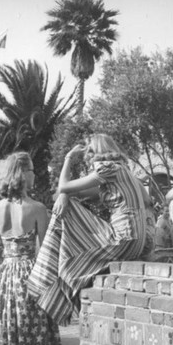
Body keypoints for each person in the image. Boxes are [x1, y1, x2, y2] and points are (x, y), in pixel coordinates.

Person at [27, 134, 148, 325]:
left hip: (125, 238)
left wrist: (68, 158)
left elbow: (63, 186)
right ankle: (56, 277)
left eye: (89, 152)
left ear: (97, 151)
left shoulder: (108, 168)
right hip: (136, 241)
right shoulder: (122, 171)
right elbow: (70, 191)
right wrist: (65, 195)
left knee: (67, 211)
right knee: (68, 201)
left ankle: (46, 276)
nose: (87, 157)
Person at [0, 152, 61, 345]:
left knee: (6, 327)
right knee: (34, 329)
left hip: (4, 276)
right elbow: (45, 251)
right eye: (31, 170)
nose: (35, 175)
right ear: (23, 173)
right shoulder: (38, 208)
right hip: (31, 275)